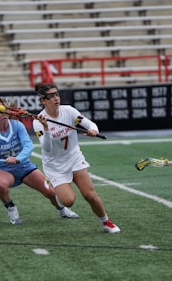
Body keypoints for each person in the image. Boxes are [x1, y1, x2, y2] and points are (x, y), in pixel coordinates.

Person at [0, 97, 79, 225]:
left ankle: (62, 210)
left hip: (24, 166)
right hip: (1, 169)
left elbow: (28, 146)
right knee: (0, 185)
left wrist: (17, 159)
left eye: (5, 111)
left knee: (50, 192)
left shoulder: (17, 126)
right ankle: (10, 207)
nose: (3, 115)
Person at [32, 83, 121, 233]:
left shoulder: (69, 111)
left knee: (90, 195)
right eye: (51, 96)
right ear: (43, 101)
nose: (56, 98)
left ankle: (106, 222)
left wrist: (93, 130)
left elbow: (88, 123)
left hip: (74, 158)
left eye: (57, 94)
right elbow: (47, 148)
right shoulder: (38, 122)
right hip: (55, 166)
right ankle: (57, 191)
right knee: (68, 201)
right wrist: (46, 128)